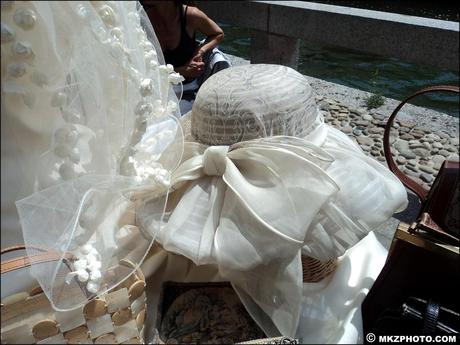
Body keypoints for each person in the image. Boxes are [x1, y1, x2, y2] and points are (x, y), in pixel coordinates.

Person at [142, 0, 231, 114]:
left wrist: (200, 51)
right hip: (157, 88)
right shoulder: (145, 20)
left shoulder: (191, 15)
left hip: (187, 90)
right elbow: (143, 65)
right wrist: (182, 71)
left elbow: (218, 33)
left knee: (171, 117)